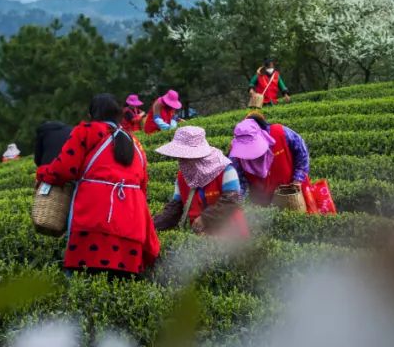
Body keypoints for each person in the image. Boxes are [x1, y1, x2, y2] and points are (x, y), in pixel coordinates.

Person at [36, 94, 160, 275]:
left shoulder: (86, 131)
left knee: (83, 284)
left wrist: (42, 173)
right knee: (120, 289)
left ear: (91, 114)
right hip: (132, 222)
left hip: (94, 218)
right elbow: (142, 184)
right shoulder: (134, 142)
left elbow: (64, 169)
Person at [153, 126, 250, 238]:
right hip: (202, 238)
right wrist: (152, 225)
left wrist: (206, 218)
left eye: (183, 155)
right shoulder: (182, 176)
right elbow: (175, 208)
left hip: (231, 236)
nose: (180, 159)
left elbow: (232, 200)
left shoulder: (225, 169)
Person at [228, 117, 310, 205]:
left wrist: (298, 179)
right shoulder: (236, 155)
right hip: (262, 202)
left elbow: (302, 153)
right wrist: (236, 204)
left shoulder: (280, 132)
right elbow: (238, 182)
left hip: (295, 196)